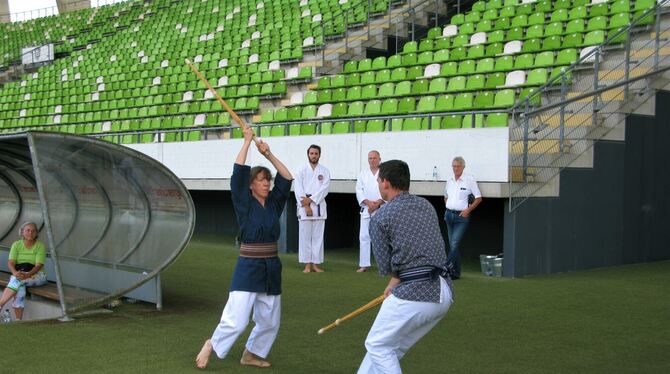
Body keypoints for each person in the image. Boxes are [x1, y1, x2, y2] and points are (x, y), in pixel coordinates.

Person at [195, 127, 293, 369]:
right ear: (250, 186)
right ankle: (211, 344)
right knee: (236, 320)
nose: (266, 183)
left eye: (267, 180)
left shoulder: (274, 204)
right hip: (248, 266)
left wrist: (268, 154)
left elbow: (287, 177)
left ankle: (250, 353)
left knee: (270, 320)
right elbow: (238, 172)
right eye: (260, 180)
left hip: (271, 266)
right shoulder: (243, 202)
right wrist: (248, 141)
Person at [358, 160, 453, 374]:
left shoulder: (380, 217)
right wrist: (395, 283)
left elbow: (386, 267)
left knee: (377, 345)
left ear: (386, 183)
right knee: (388, 348)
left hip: (417, 293)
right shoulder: (426, 205)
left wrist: (394, 281)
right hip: (444, 292)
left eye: (379, 180)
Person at [0, 221, 48, 321]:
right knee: (20, 287)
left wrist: (28, 274)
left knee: (17, 281)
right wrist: (14, 272)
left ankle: (1, 304)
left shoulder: (40, 246)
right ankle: (18, 320)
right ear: (22, 232)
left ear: (36, 233)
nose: (30, 233)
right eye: (28, 230)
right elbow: (11, 262)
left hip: (38, 275)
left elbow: (38, 266)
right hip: (20, 274)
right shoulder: (16, 245)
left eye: (33, 231)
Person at [294, 144, 330, 273]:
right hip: (304, 205)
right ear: (308, 154)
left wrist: (311, 200)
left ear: (319, 155)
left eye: (316, 153)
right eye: (311, 153)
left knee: (317, 237)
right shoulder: (301, 170)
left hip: (319, 205)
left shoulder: (325, 171)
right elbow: (298, 188)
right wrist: (307, 205)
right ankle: (307, 264)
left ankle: (315, 264)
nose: (314, 156)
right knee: (305, 236)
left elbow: (325, 189)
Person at [443, 156, 482, 279]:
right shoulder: (449, 179)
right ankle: (456, 273)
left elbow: (478, 198)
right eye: (453, 166)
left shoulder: (469, 179)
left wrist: (468, 210)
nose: (455, 168)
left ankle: (444, 269)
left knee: (454, 244)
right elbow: (445, 196)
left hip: (461, 217)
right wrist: (448, 207)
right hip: (449, 215)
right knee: (453, 245)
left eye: (458, 166)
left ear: (463, 167)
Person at [355, 150, 384, 272]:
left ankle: (384, 265)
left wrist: (378, 203)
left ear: (379, 159)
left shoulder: (384, 173)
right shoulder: (363, 173)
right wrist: (368, 203)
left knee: (382, 237)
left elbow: (388, 189)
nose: (372, 160)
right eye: (370, 158)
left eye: (374, 158)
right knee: (364, 236)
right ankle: (364, 264)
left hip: (381, 208)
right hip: (366, 208)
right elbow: (359, 190)